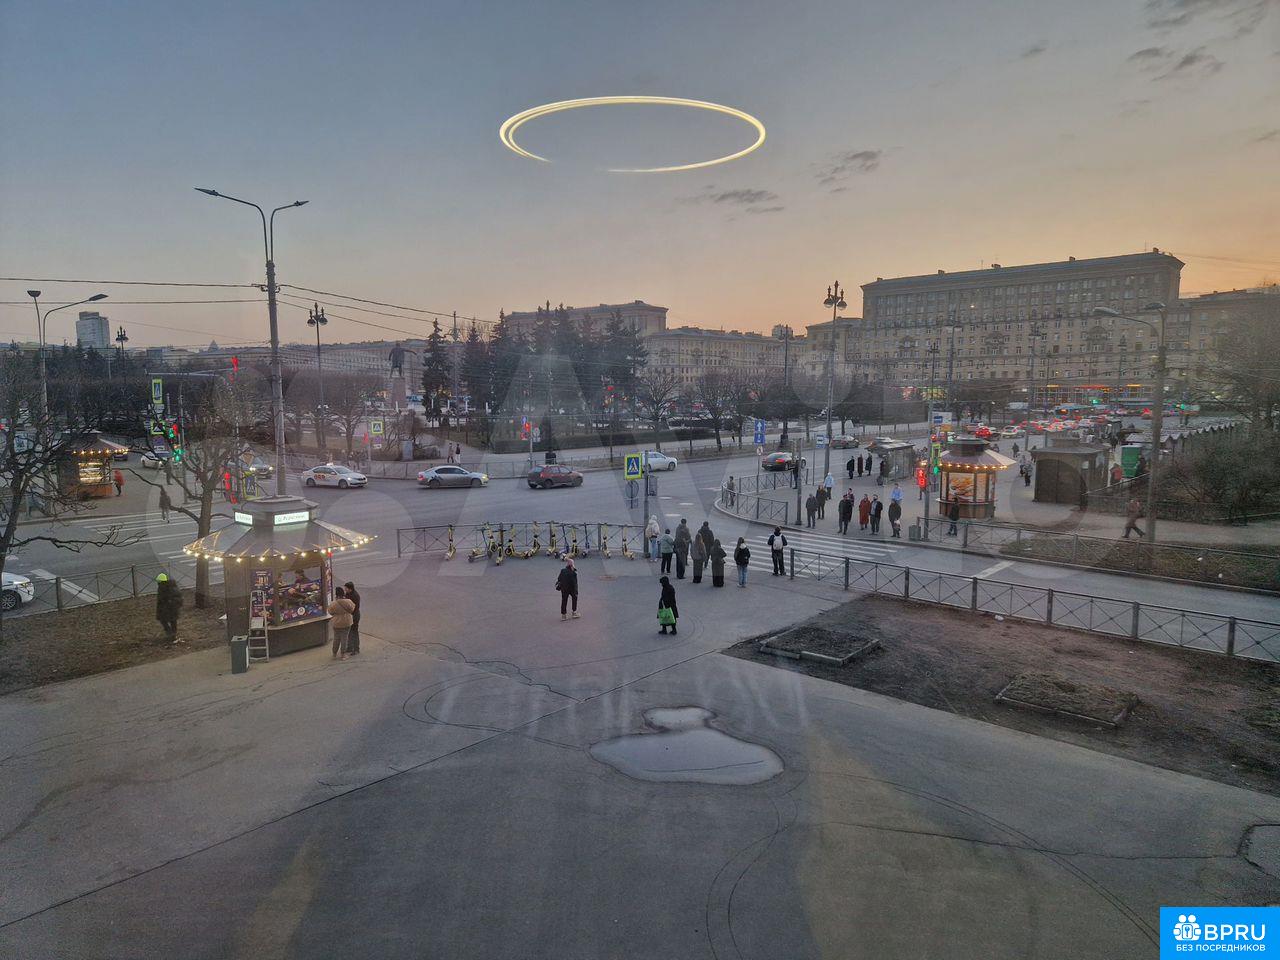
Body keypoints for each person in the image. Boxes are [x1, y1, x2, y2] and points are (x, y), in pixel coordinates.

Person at [327, 586, 356, 660]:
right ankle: (343, 655)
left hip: (336, 623)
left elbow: (330, 611)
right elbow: (352, 609)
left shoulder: (333, 604)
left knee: (336, 638)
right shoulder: (348, 601)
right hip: (347, 622)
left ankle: (334, 654)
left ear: (336, 595)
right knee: (344, 638)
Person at [155, 573, 182, 640]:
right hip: (174, 607)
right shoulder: (173, 586)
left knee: (164, 620)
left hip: (168, 608)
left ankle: (170, 633)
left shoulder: (163, 588)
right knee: (173, 620)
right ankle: (173, 633)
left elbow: (162, 599)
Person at [343, 580, 361, 655]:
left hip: (354, 615)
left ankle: (356, 649)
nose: (345, 589)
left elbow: (355, 608)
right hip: (350, 615)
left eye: (346, 588)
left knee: (354, 632)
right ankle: (350, 647)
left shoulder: (355, 596)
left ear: (350, 588)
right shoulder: (348, 594)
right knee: (350, 631)